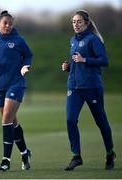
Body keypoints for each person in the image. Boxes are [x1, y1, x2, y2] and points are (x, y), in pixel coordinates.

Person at [62, 10, 116, 171]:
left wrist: (85, 59)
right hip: (74, 87)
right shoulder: (73, 40)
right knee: (70, 120)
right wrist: (68, 67)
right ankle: (76, 156)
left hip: (92, 87)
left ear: (86, 23)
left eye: (79, 21)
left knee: (101, 122)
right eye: (73, 22)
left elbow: (104, 61)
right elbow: (77, 63)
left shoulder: (93, 39)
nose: (76, 25)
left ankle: (110, 153)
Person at [0, 10, 33, 171]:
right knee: (12, 122)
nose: (8, 25)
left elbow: (28, 55)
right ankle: (25, 152)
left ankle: (5, 160)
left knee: (6, 121)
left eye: (10, 23)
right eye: (5, 23)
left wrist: (25, 66)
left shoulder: (19, 40)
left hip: (16, 83)